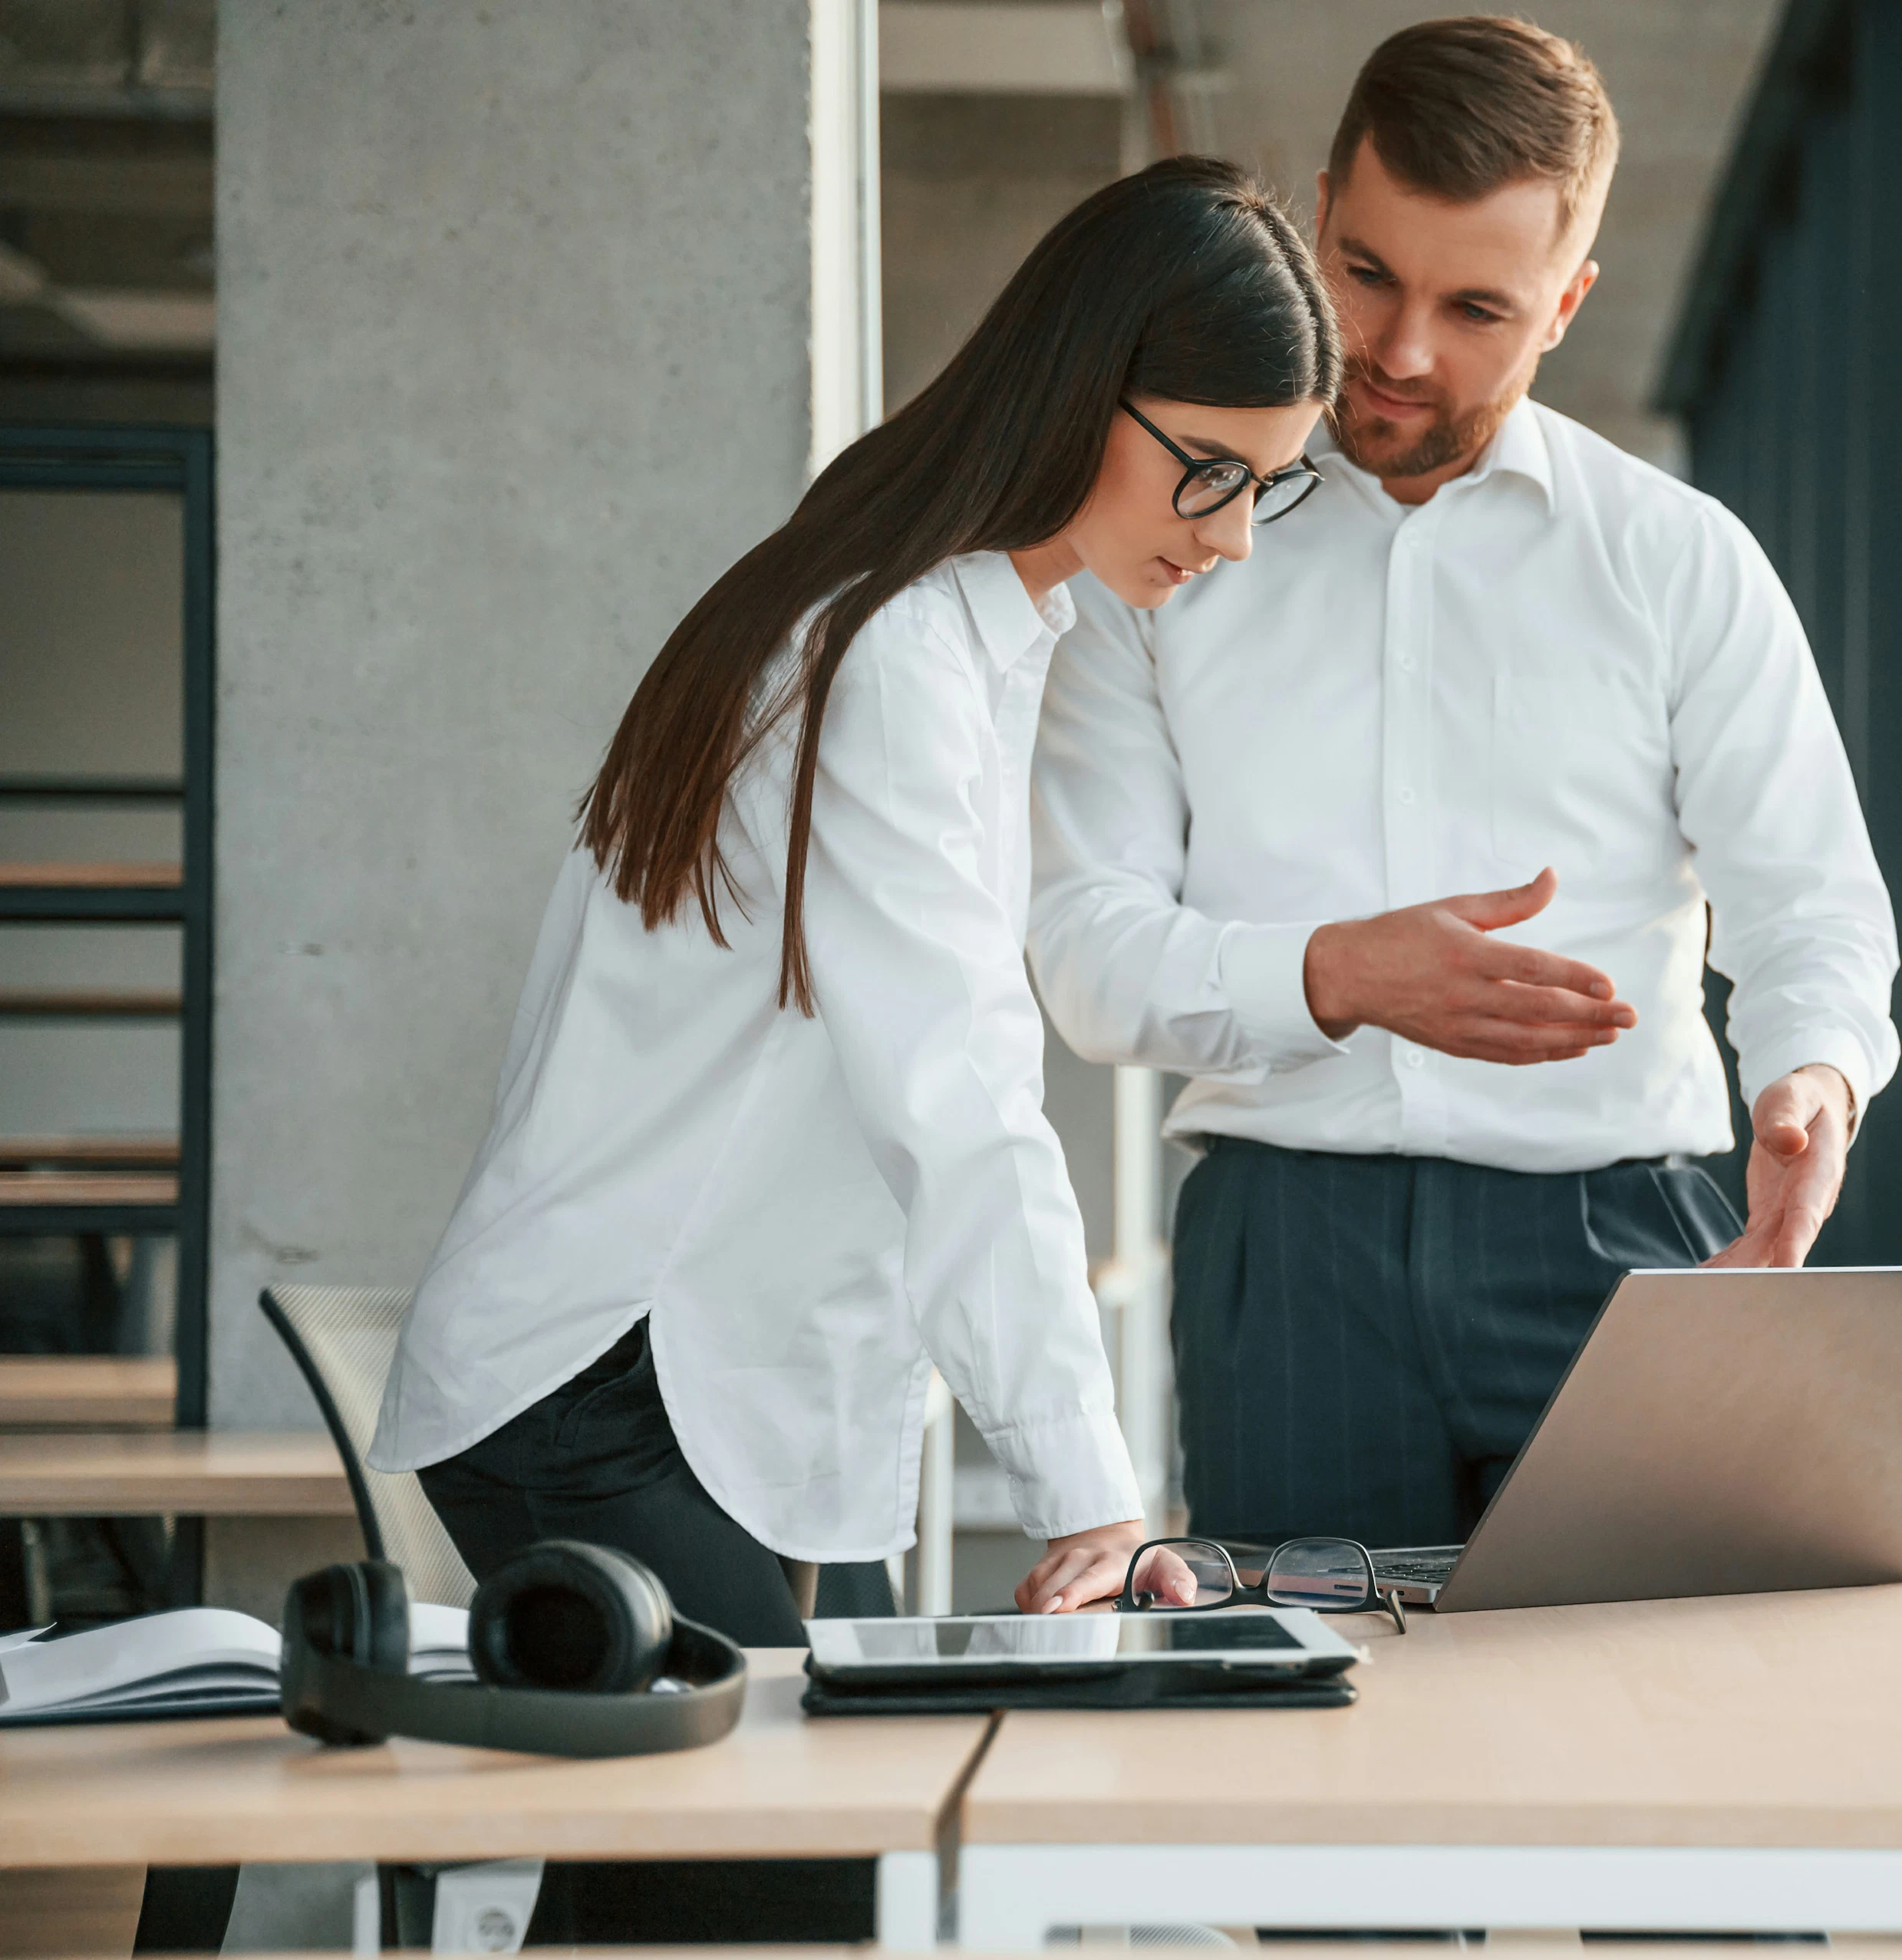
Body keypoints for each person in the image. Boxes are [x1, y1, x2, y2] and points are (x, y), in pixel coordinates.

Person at [368, 156, 1342, 1638]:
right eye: (1207, 467)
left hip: (695, 1380)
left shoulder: (958, 630)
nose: (1231, 535)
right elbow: (954, 1090)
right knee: (788, 1854)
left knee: (765, 1854)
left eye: (1269, 485)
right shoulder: (890, 656)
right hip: (612, 1375)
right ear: (1086, 388)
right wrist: (1088, 1486)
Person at [1029, 20, 1900, 1553]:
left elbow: (1814, 905)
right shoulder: (1155, 550)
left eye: (1479, 305)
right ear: (1315, 218)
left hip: (1622, 1241)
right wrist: (1336, 974)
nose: (1403, 349)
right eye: (1367, 273)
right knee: (1316, 1762)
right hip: (1289, 1250)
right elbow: (1087, 954)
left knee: (1640, 1735)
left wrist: (1810, 1077)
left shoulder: (1679, 559)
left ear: (1567, 303)